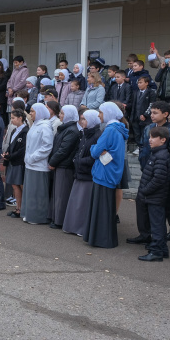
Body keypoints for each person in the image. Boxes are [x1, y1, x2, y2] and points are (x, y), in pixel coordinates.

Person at [84, 102, 128, 248]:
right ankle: (104, 238)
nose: (98, 115)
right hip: (110, 173)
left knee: (101, 208)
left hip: (104, 173)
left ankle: (101, 239)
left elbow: (95, 151)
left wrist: (93, 147)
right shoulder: (118, 129)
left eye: (101, 112)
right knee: (106, 208)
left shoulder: (110, 130)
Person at [135, 126, 170, 261]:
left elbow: (158, 179)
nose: (150, 140)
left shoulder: (161, 156)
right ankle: (161, 249)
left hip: (155, 196)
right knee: (158, 223)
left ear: (163, 140)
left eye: (153, 137)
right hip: (154, 196)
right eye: (149, 137)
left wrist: (145, 190)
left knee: (157, 224)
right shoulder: (156, 153)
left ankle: (157, 251)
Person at [63, 110, 102, 236]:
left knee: (83, 203)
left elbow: (95, 156)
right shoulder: (86, 133)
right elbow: (80, 149)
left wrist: (80, 161)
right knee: (76, 202)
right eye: (81, 119)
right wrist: (76, 159)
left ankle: (81, 228)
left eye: (85, 119)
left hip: (87, 173)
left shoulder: (97, 135)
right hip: (80, 171)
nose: (82, 122)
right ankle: (73, 226)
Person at [49, 105, 81, 229]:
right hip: (60, 164)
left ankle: (60, 220)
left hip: (65, 165)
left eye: (62, 113)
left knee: (62, 194)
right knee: (58, 193)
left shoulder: (72, 130)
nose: (60, 115)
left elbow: (63, 150)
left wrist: (52, 162)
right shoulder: (65, 128)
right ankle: (55, 217)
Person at [21, 103, 53, 223]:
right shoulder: (35, 125)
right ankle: (30, 214)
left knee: (37, 193)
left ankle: (38, 217)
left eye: (33, 111)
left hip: (39, 165)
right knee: (31, 192)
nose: (30, 114)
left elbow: (47, 146)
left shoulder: (45, 126)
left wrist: (33, 157)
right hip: (30, 163)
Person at [4, 109, 28, 218]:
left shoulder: (25, 131)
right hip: (13, 161)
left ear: (20, 118)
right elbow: (11, 145)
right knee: (15, 185)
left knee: (20, 185)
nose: (11, 120)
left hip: (19, 162)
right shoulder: (15, 130)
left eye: (13, 118)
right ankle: (18, 207)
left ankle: (22, 208)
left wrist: (10, 156)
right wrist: (7, 153)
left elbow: (22, 149)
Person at [129, 75, 157, 154]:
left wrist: (145, 114)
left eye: (141, 83)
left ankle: (143, 148)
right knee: (137, 133)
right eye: (138, 83)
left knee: (144, 133)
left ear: (146, 83)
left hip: (145, 118)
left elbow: (152, 104)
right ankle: (139, 147)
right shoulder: (136, 92)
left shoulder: (151, 92)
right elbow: (134, 105)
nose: (139, 84)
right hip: (135, 116)